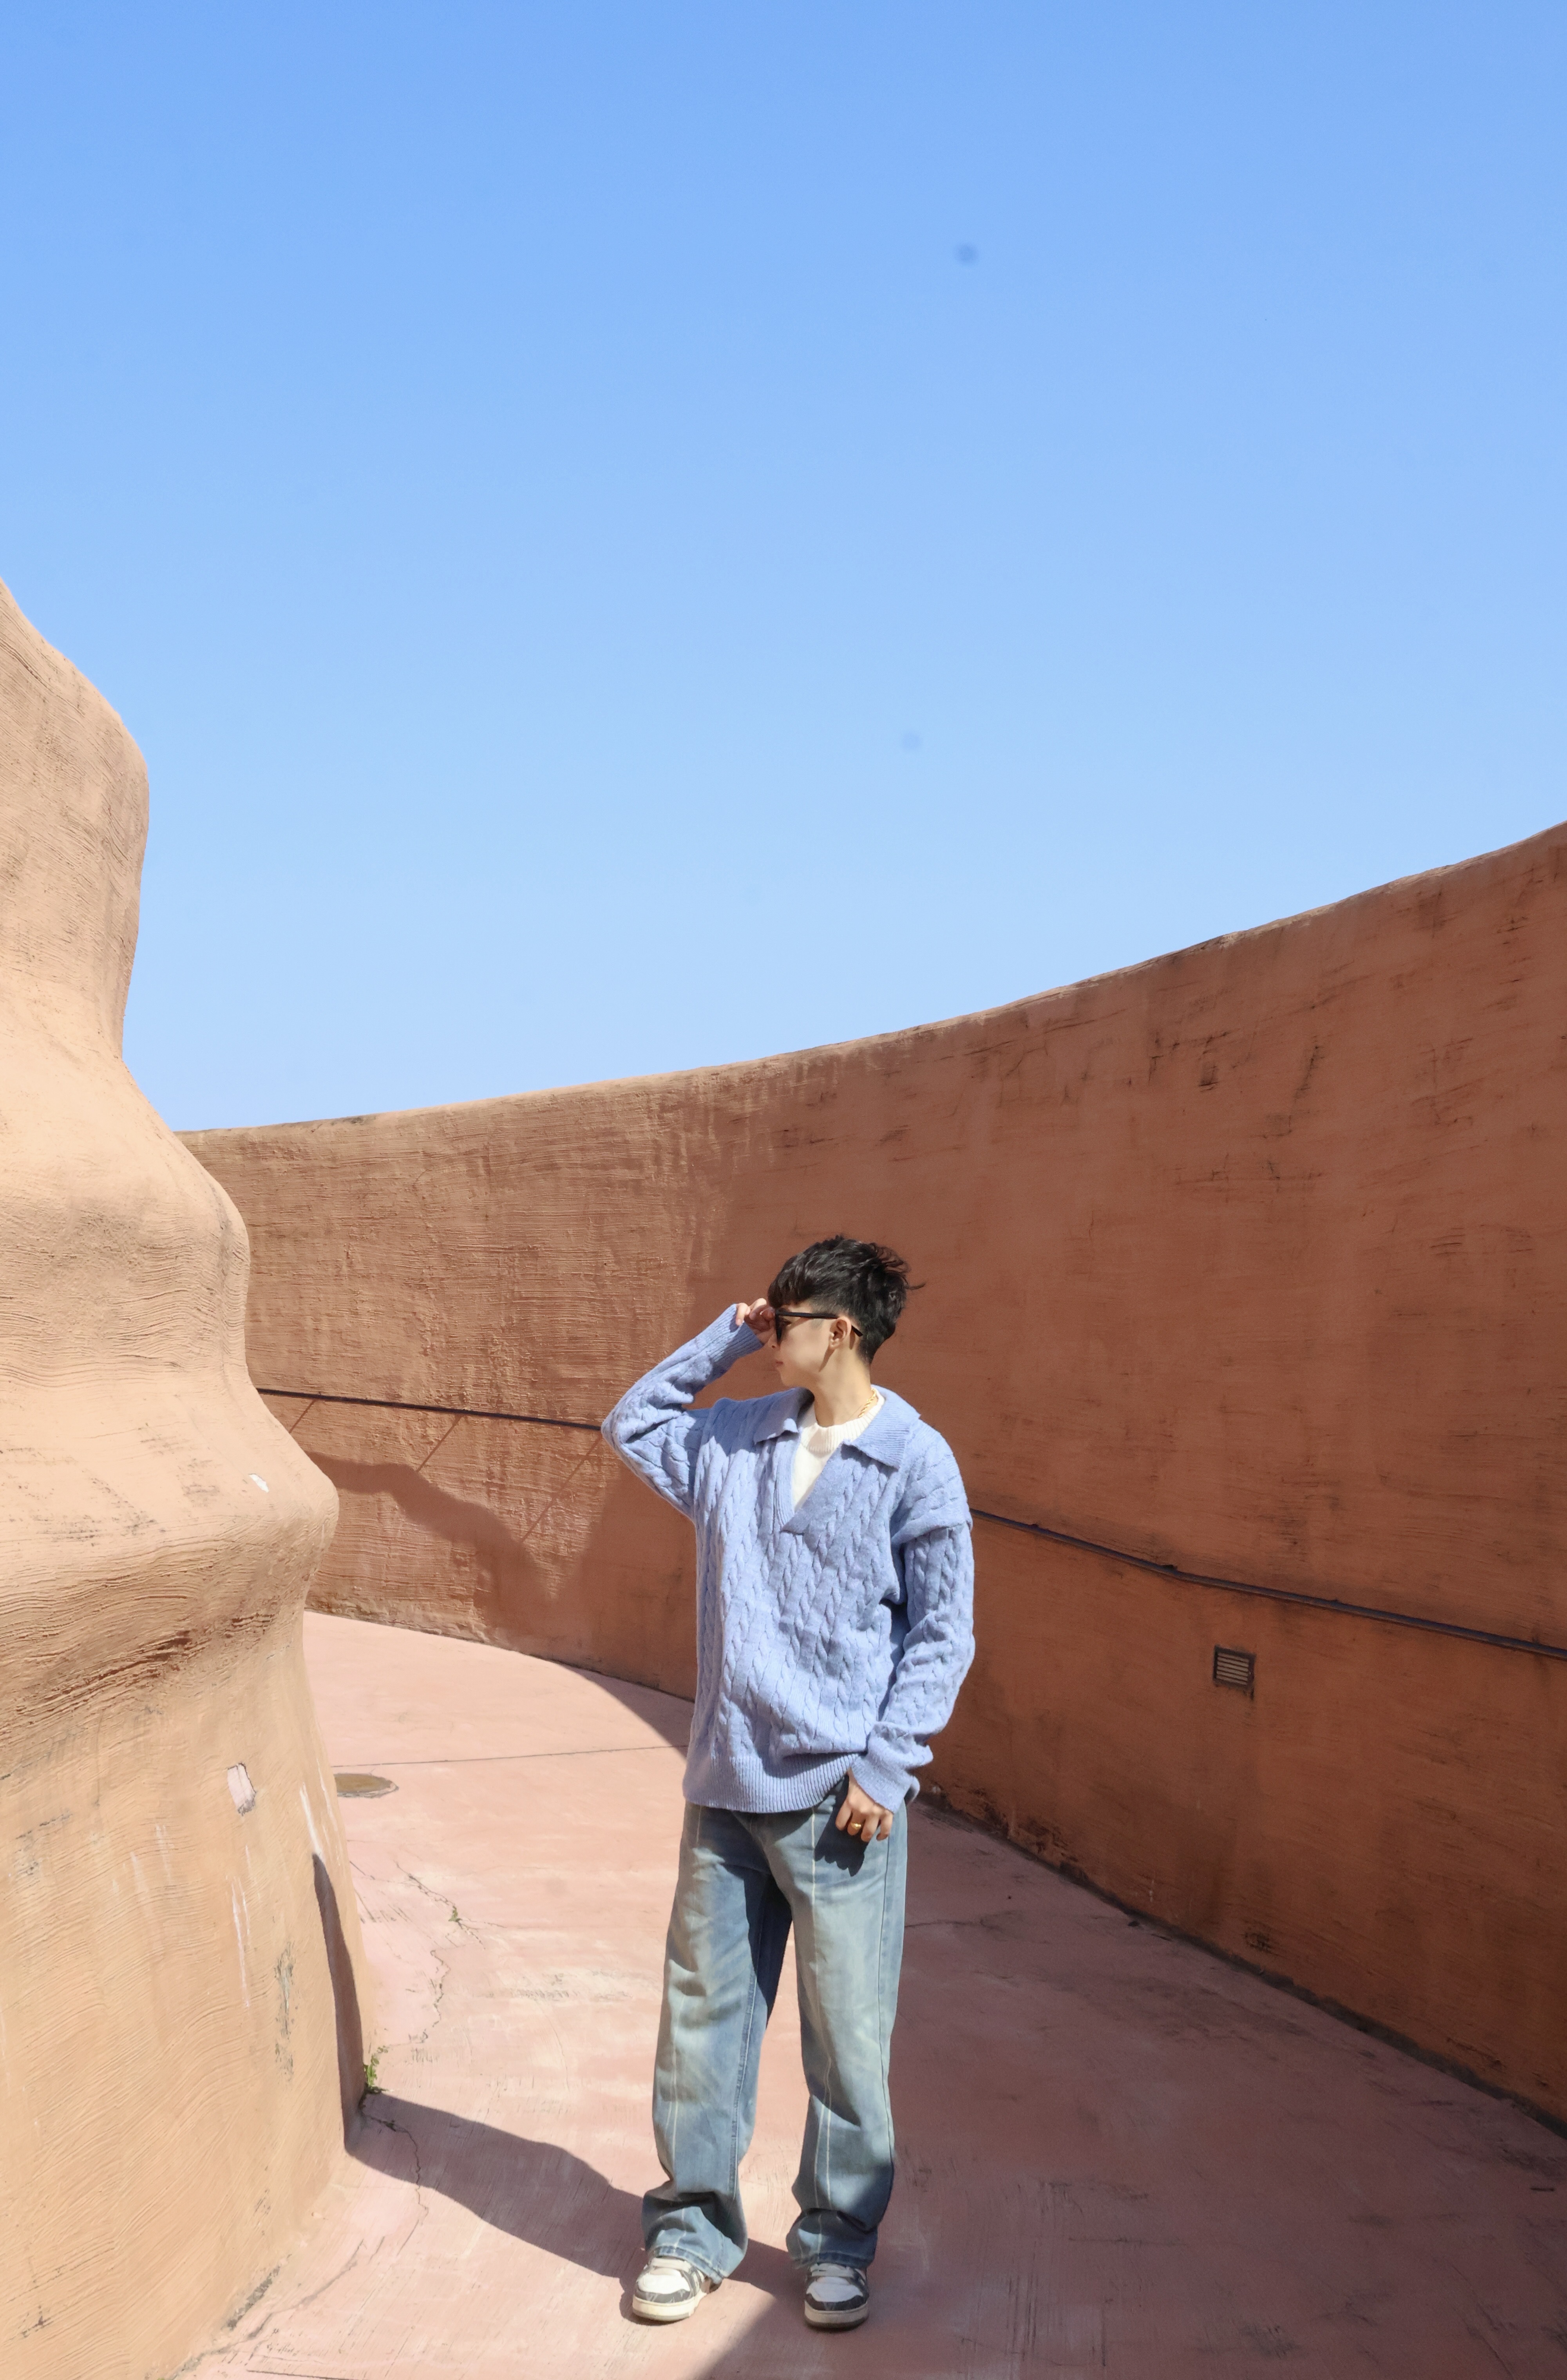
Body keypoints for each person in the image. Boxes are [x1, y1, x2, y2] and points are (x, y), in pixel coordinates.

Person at [601, 1235, 975, 2333]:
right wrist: (726, 1337)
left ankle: (837, 2243)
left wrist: (888, 1769)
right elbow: (632, 1422)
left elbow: (942, 1633)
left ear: (842, 1331)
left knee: (847, 2036)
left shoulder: (914, 1461)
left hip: (841, 1803)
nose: (772, 1326)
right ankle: (689, 2234)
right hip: (728, 1783)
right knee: (704, 2021)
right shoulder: (737, 1437)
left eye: (788, 1314)